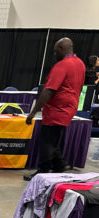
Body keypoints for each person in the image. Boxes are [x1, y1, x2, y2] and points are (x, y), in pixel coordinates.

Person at [24, 38, 85, 181]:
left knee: (46, 141)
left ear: (61, 48)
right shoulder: (80, 64)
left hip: (56, 110)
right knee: (53, 141)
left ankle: (43, 171)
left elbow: (48, 91)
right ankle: (59, 166)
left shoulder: (62, 66)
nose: (54, 54)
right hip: (69, 109)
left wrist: (33, 113)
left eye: (55, 51)